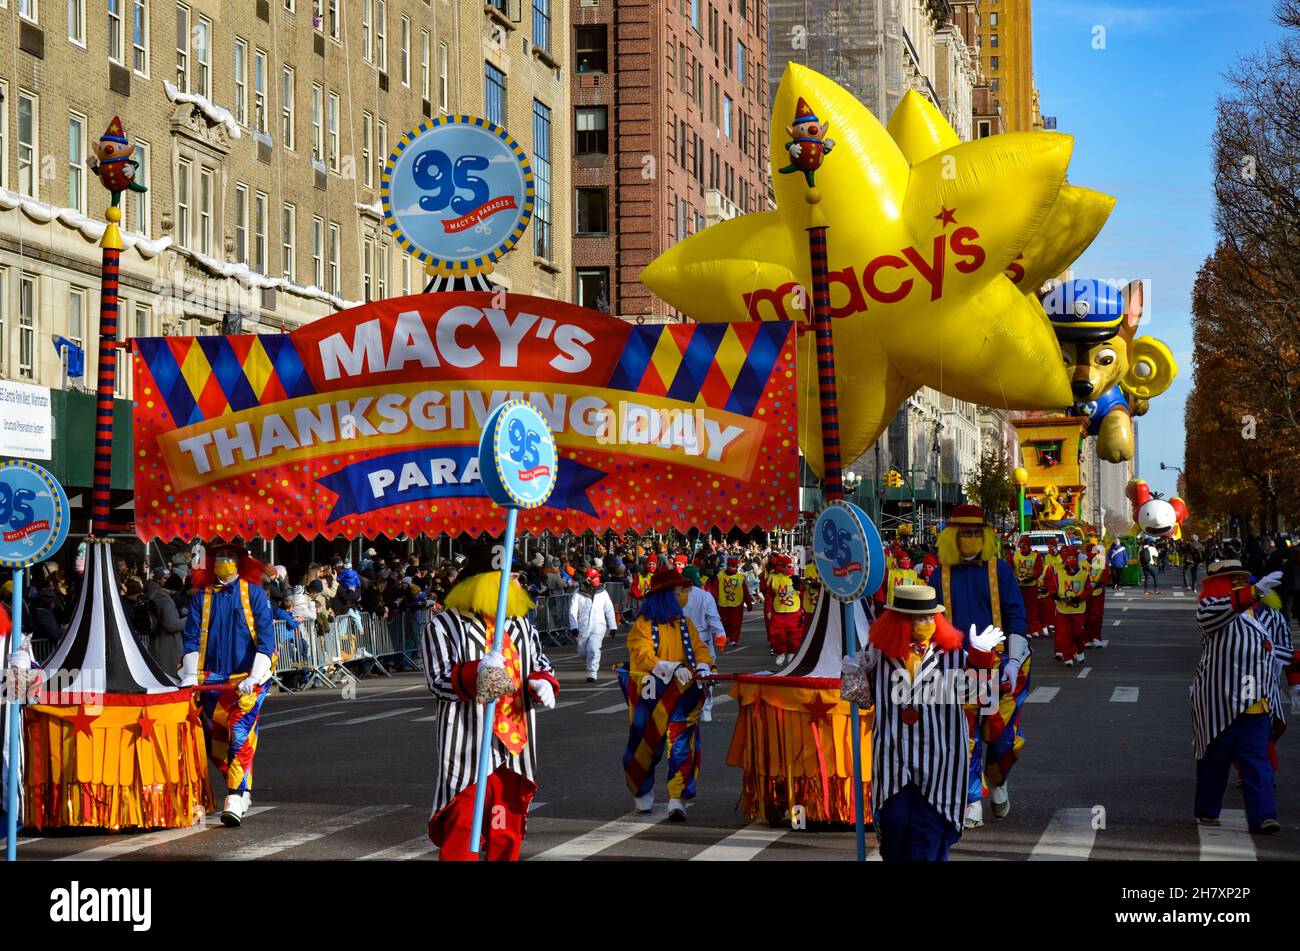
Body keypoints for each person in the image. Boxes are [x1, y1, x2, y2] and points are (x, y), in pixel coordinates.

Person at [420, 539, 559, 861]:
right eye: (508, 579)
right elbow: (439, 681)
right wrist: (475, 672)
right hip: (468, 745)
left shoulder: (520, 623)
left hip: (516, 748)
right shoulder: (444, 626)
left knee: (507, 830)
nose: (515, 586)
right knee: (462, 829)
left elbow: (539, 662)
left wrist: (543, 682)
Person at [856, 585, 1004, 861]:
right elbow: (860, 700)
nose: (923, 624)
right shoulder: (878, 654)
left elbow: (980, 697)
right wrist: (855, 670)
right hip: (893, 758)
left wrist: (981, 658)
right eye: (915, 618)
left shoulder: (953, 654)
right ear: (898, 621)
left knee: (930, 830)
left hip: (940, 758)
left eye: (928, 618)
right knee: (895, 826)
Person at [929, 504, 1030, 828]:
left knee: (1002, 740)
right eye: (964, 532)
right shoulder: (938, 573)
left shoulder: (999, 570)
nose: (970, 538)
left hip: (1000, 666)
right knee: (965, 738)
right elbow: (927, 623)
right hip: (957, 668)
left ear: (984, 536)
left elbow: (1016, 616)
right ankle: (972, 800)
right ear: (952, 536)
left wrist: (1014, 661)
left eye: (975, 532)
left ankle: (997, 781)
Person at [180, 543, 277, 827]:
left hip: (247, 680)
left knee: (239, 732)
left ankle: (234, 796)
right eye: (221, 556)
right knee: (216, 741)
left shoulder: (254, 594)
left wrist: (255, 676)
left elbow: (266, 637)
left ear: (241, 561)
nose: (226, 561)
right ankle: (242, 788)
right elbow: (191, 636)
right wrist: (189, 673)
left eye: (232, 556)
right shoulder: (203, 596)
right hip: (211, 680)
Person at [1190, 561, 1283, 835]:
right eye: (1233, 580)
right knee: (1214, 761)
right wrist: (1252, 593)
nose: (1240, 583)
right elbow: (1224, 610)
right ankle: (1207, 809)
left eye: (1243, 578)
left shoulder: (1260, 614)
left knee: (1257, 760)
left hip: (1256, 701)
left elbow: (1277, 645)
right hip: (1220, 702)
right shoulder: (1209, 609)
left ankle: (1264, 815)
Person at [618, 565, 713, 821]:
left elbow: (700, 649)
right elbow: (642, 653)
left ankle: (676, 798)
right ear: (668, 594)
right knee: (644, 746)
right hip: (650, 697)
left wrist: (703, 666)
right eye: (682, 590)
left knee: (682, 745)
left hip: (682, 696)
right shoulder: (643, 624)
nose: (686, 594)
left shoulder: (686, 623)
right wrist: (670, 667)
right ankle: (641, 791)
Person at [681, 564, 726, 721]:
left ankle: (688, 708)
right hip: (703, 641)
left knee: (684, 675)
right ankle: (706, 709)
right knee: (706, 675)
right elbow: (713, 618)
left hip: (683, 641)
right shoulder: (705, 596)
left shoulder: (677, 595)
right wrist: (720, 635)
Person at [570, 567, 617, 683]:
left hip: (599, 625)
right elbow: (572, 611)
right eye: (594, 578)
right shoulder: (578, 593)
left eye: (597, 577)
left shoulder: (603, 593)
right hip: (583, 625)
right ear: (587, 579)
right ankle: (591, 663)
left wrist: (613, 626)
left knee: (593, 648)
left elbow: (609, 610)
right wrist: (574, 627)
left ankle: (592, 672)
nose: (597, 580)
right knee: (582, 650)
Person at [1049, 547, 1093, 667]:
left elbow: (1088, 590)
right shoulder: (1060, 574)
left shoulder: (1084, 574)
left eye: (1073, 558)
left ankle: (1079, 651)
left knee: (1078, 633)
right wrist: (1054, 595)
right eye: (1069, 558)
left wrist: (1079, 598)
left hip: (1078, 609)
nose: (1071, 560)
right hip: (1063, 609)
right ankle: (1067, 657)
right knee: (1065, 633)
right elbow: (1053, 586)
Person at [141, 565, 186, 678]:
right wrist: (189, 620)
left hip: (157, 642)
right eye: (165, 578)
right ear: (157, 579)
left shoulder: (153, 593)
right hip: (166, 646)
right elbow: (171, 625)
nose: (168, 580)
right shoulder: (163, 598)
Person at [763, 554, 803, 666]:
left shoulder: (796, 578)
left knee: (794, 634)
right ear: (782, 567)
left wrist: (804, 609)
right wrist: (768, 610)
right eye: (788, 566)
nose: (791, 568)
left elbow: (802, 594)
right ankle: (780, 653)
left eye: (792, 566)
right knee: (777, 634)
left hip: (794, 611)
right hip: (779, 612)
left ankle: (791, 653)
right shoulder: (775, 579)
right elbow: (769, 596)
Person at [709, 555, 752, 646]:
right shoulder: (720, 576)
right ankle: (726, 636)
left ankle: (734, 639)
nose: (732, 568)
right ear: (727, 565)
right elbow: (715, 589)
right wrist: (712, 601)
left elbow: (745, 591)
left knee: (736, 623)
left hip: (737, 604)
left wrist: (749, 603)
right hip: (723, 603)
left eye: (734, 566)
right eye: (731, 566)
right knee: (724, 622)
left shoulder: (740, 577)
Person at [1012, 537, 1044, 639]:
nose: (1022, 549)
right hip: (1018, 586)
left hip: (1031, 586)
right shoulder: (1015, 555)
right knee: (1020, 607)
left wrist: (1031, 577)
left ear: (1029, 546)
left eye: (1024, 546)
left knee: (1032, 608)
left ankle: (1033, 628)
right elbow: (1010, 567)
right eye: (1020, 546)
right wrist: (1013, 579)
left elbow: (1039, 569)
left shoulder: (1035, 556)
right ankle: (1024, 629)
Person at [1084, 542, 1109, 650]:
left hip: (1098, 593)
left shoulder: (1101, 562)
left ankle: (1097, 638)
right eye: (1089, 551)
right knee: (1086, 617)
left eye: (1093, 551)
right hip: (1085, 594)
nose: (1091, 553)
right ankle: (1087, 639)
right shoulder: (1082, 564)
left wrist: (1100, 583)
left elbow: (1106, 574)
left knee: (1097, 616)